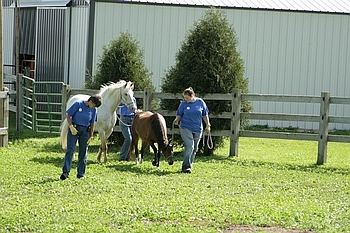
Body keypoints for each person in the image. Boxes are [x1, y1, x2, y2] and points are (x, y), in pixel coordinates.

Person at [60, 94, 102, 180]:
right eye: (93, 105)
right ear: (90, 101)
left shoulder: (93, 110)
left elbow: (92, 122)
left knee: (83, 153)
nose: (93, 107)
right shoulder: (78, 104)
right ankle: (65, 172)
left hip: (85, 131)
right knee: (70, 150)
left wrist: (91, 135)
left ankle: (80, 174)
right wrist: (71, 126)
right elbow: (68, 115)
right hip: (74, 129)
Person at [173, 87, 211, 173]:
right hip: (185, 127)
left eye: (187, 98)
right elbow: (179, 114)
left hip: (198, 128)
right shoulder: (183, 104)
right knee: (190, 145)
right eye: (184, 98)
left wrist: (208, 124)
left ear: (192, 95)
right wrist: (177, 120)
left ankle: (189, 165)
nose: (185, 100)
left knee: (195, 149)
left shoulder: (200, 102)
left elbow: (205, 114)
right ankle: (185, 166)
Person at [118, 97, 137, 161]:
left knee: (132, 139)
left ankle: (128, 156)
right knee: (128, 138)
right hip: (124, 118)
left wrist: (136, 110)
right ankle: (122, 157)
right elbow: (118, 106)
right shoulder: (122, 99)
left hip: (133, 118)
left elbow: (135, 108)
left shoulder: (133, 99)